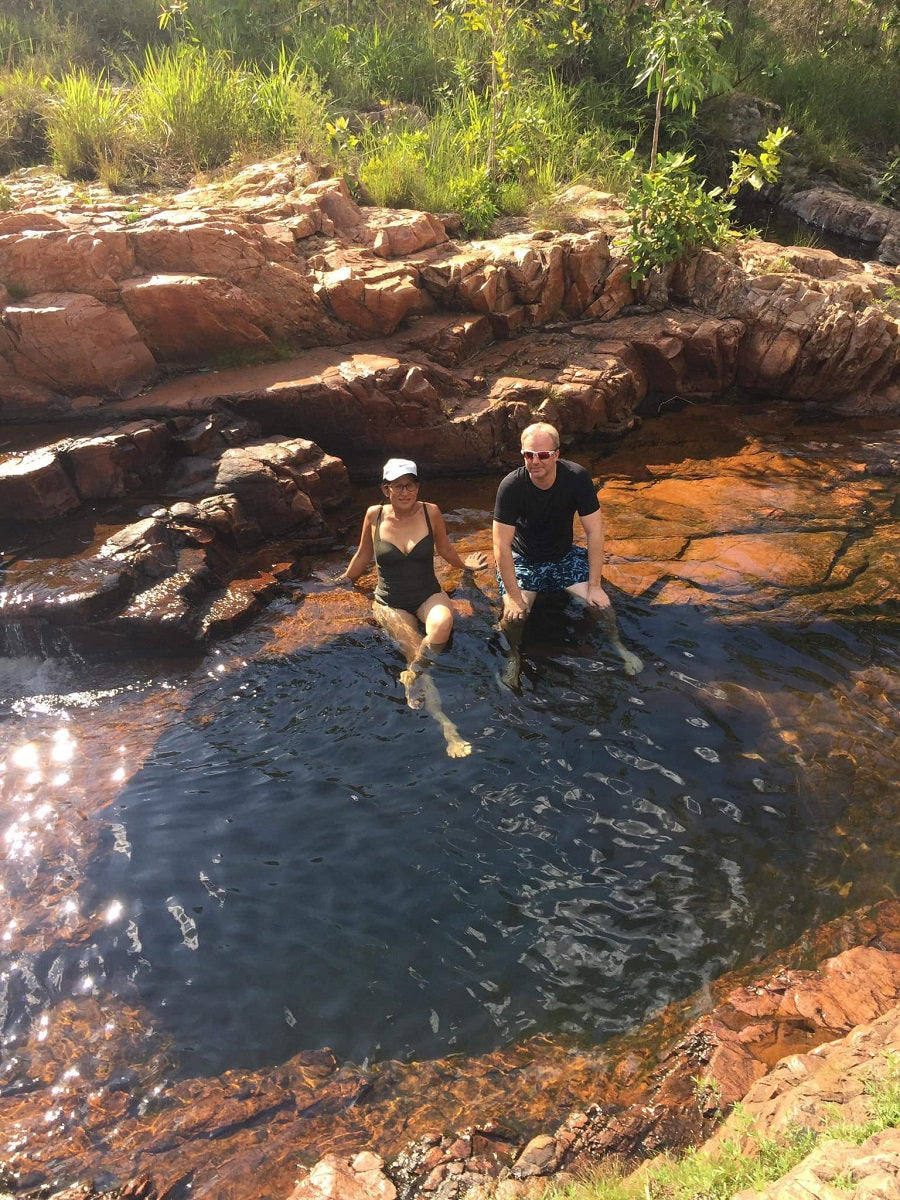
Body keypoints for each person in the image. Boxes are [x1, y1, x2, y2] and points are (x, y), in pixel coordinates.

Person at [341, 457, 488, 757]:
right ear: (386, 490)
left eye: (410, 484)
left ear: (417, 486)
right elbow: (362, 555)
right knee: (413, 649)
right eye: (398, 486)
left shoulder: (430, 511)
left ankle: (414, 671)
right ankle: (448, 727)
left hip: (427, 593)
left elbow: (445, 549)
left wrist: (464, 565)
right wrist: (341, 582)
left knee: (442, 625)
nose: (405, 491)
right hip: (389, 600)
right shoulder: (374, 516)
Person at [492, 421, 643, 688]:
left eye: (542, 455)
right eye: (529, 455)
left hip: (563, 556)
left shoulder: (576, 478)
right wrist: (514, 599)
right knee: (514, 616)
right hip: (524, 559)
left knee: (602, 606)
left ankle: (619, 648)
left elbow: (595, 532)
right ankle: (513, 656)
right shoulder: (511, 486)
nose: (535, 461)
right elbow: (501, 546)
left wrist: (595, 586)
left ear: (557, 454)